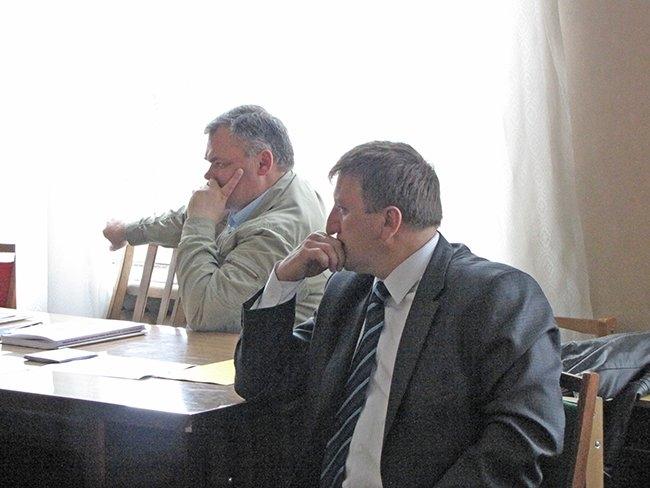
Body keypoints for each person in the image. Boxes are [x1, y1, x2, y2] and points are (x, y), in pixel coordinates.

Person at [234, 141, 564, 487]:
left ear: (389, 221)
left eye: (343, 209)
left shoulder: (497, 298)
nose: (330, 226)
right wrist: (283, 280)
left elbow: (523, 438)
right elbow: (260, 383)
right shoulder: (348, 290)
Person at [103, 105, 328, 332]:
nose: (208, 175)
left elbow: (203, 315)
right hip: (237, 346)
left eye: (219, 163)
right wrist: (126, 232)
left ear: (263, 163)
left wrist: (200, 222)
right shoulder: (280, 188)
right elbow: (191, 216)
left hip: (253, 352)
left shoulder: (275, 232)